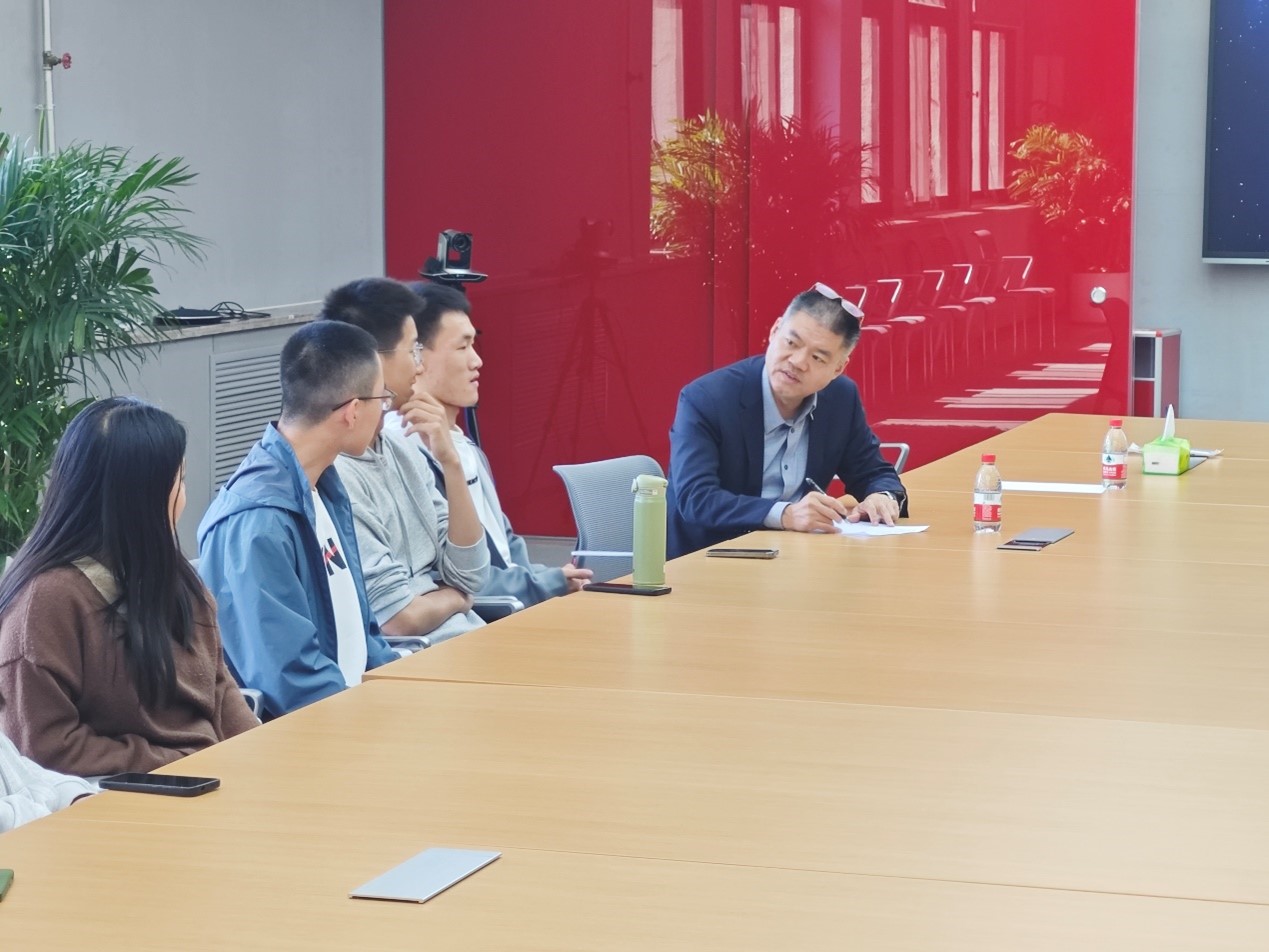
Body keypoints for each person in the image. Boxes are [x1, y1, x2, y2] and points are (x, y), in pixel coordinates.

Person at [0, 397, 257, 777]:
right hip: (124, 800)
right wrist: (187, 761)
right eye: (180, 481)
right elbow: (45, 748)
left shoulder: (173, 579)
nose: (184, 496)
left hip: (204, 782)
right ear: (143, 499)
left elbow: (220, 691)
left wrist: (260, 757)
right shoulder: (46, 602)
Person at [198, 322, 400, 718]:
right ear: (353, 411)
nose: (384, 410)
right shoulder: (257, 521)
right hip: (315, 732)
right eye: (382, 398)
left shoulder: (324, 486)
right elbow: (289, 680)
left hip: (356, 714)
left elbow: (364, 637)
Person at [389, 281, 592, 607]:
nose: (477, 361)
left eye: (474, 345)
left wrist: (551, 578)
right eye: (462, 347)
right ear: (417, 355)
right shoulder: (403, 450)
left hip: (517, 608)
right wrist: (547, 583)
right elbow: (457, 577)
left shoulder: (466, 449)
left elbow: (505, 547)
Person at [667, 283, 908, 558]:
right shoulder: (706, 399)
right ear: (774, 331)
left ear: (838, 368)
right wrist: (785, 514)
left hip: (794, 557)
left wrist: (882, 497)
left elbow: (872, 472)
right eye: (791, 343)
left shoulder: (841, 398)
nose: (798, 362)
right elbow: (695, 498)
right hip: (708, 560)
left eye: (817, 357)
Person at [319, 278, 490, 644]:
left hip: (469, 641)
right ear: (373, 361)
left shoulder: (404, 449)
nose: (419, 365)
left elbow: (472, 574)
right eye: (413, 350)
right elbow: (397, 619)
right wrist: (456, 599)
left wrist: (450, 463)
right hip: (419, 658)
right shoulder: (335, 473)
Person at [0, 721, 96, 831]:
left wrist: (75, 797)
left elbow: (23, 770)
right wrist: (52, 818)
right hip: (30, 831)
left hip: (40, 824)